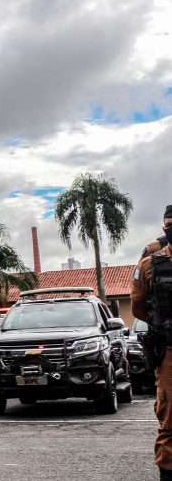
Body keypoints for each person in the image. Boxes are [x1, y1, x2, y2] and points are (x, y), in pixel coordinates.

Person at [131, 205, 172, 480]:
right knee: (170, 419)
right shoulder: (151, 263)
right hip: (170, 349)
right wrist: (162, 326)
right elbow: (137, 307)